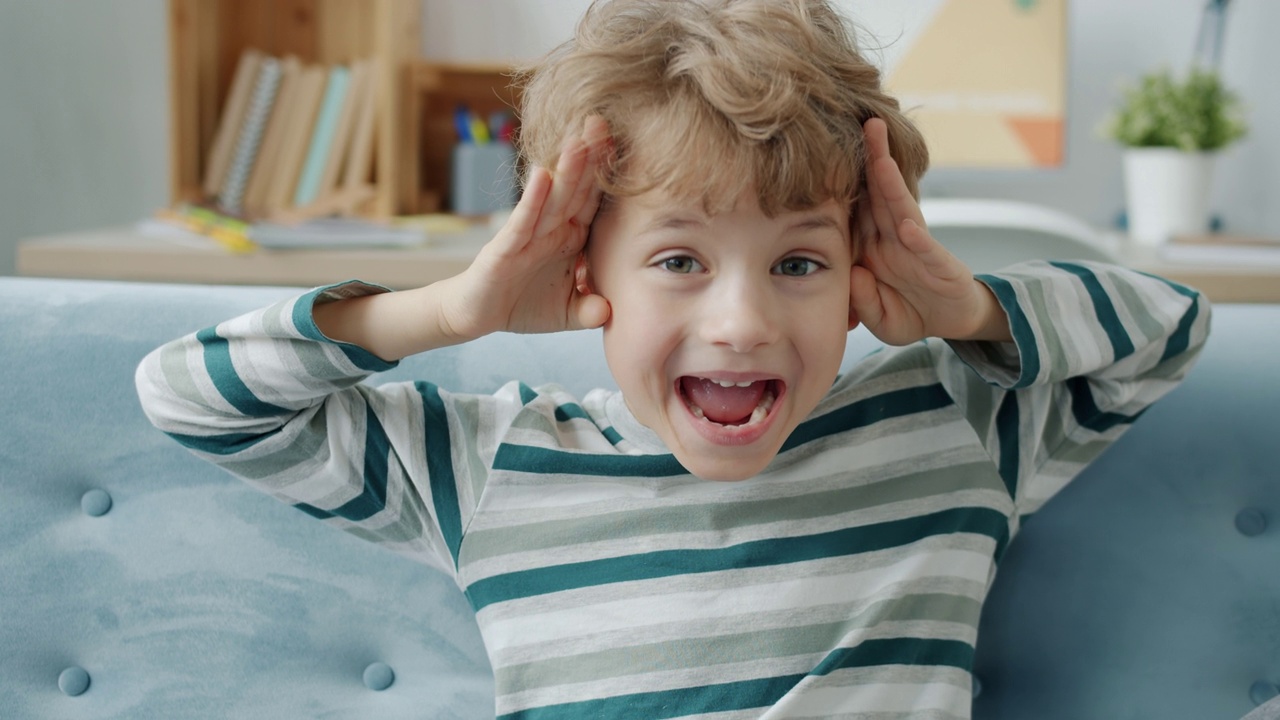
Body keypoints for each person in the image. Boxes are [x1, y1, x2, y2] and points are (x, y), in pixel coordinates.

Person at [136, 0, 1210, 717]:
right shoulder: (493, 467)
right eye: (679, 259)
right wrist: (446, 312)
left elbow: (1163, 332)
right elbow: (189, 398)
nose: (739, 321)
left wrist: (959, 305)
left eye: (798, 262)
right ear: (580, 265)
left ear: (860, 272)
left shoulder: (949, 422)